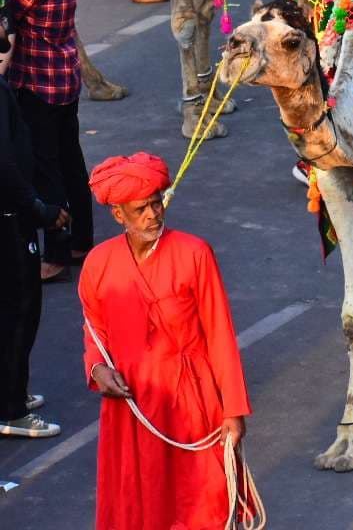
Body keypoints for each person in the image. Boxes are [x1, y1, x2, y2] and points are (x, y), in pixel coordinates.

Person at [80, 153, 255, 530]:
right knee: (138, 505)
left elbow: (220, 335)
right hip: (130, 405)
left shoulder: (195, 254)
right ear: (119, 215)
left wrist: (233, 412)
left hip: (192, 400)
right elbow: (94, 331)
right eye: (141, 208)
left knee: (203, 502)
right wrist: (97, 368)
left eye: (157, 202)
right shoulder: (98, 263)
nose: (153, 215)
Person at [0, 0, 90, 281]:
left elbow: (6, 26)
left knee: (46, 170)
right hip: (65, 77)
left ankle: (54, 256)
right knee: (71, 161)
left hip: (37, 83)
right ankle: (80, 239)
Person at [0, 56, 66, 438]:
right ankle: (10, 409)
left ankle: (11, 394)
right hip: (9, 219)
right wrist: (38, 209)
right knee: (18, 312)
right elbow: (4, 163)